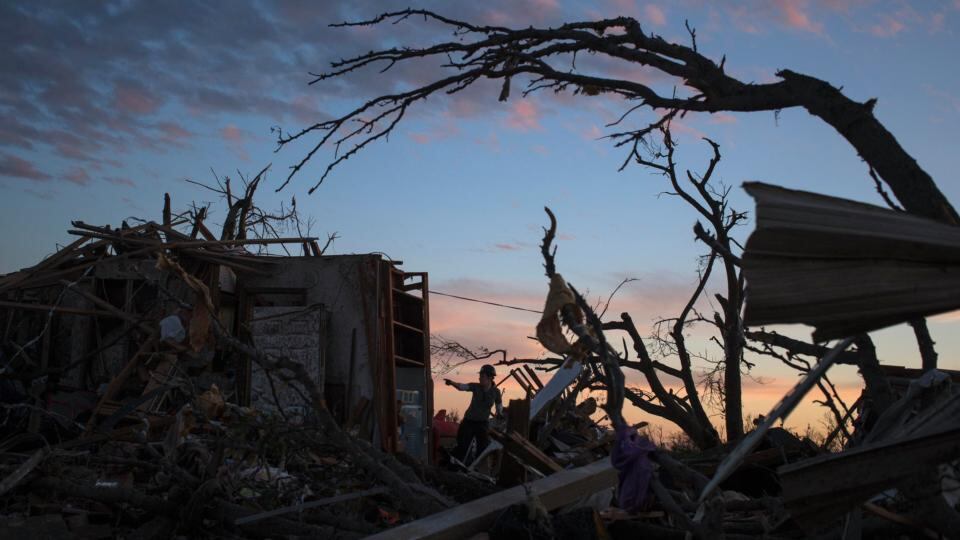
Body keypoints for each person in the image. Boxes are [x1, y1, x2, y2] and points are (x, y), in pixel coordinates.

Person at [444, 364, 503, 465]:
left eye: (482, 376)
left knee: (483, 447)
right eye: (480, 376)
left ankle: (477, 467)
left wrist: (499, 413)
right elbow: (462, 387)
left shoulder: (496, 392)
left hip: (482, 423)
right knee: (462, 445)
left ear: (489, 377)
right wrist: (451, 383)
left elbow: (499, 405)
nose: (479, 378)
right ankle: (457, 464)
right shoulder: (476, 387)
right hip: (469, 422)